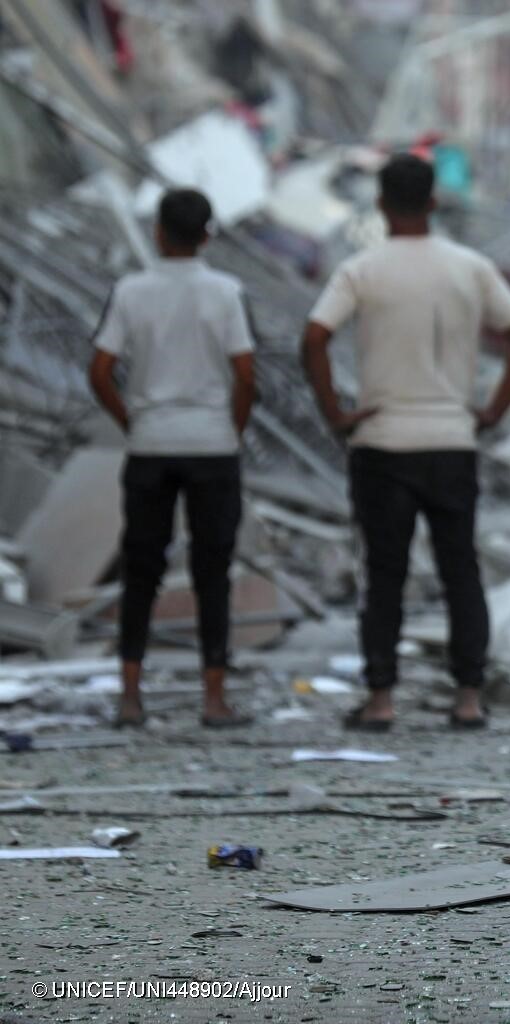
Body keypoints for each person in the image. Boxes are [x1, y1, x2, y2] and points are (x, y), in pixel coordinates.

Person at [302, 154, 510, 731]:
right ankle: (468, 698)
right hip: (451, 439)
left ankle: (381, 699)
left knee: (384, 574)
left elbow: (313, 338)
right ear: (433, 202)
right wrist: (494, 407)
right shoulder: (470, 267)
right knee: (461, 571)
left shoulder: (361, 269)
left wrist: (335, 412)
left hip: (382, 441)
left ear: (381, 205)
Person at [88, 188, 258, 729]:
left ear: (158, 232)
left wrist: (131, 419)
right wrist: (232, 427)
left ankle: (130, 695)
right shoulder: (226, 292)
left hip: (151, 445)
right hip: (212, 445)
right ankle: (214, 698)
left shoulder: (131, 291)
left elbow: (100, 370)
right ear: (207, 235)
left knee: (141, 570)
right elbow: (246, 374)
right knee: (213, 572)